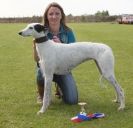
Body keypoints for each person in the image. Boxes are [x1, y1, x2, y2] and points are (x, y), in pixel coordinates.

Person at [33, 2, 78, 105]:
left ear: (61, 15)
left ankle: (59, 87)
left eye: (57, 13)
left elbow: (73, 55)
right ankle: (41, 94)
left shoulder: (68, 32)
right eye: (51, 14)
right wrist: (34, 47)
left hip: (63, 69)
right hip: (46, 68)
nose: (54, 16)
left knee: (72, 100)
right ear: (47, 16)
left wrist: (61, 46)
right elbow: (36, 60)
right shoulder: (40, 31)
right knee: (41, 70)